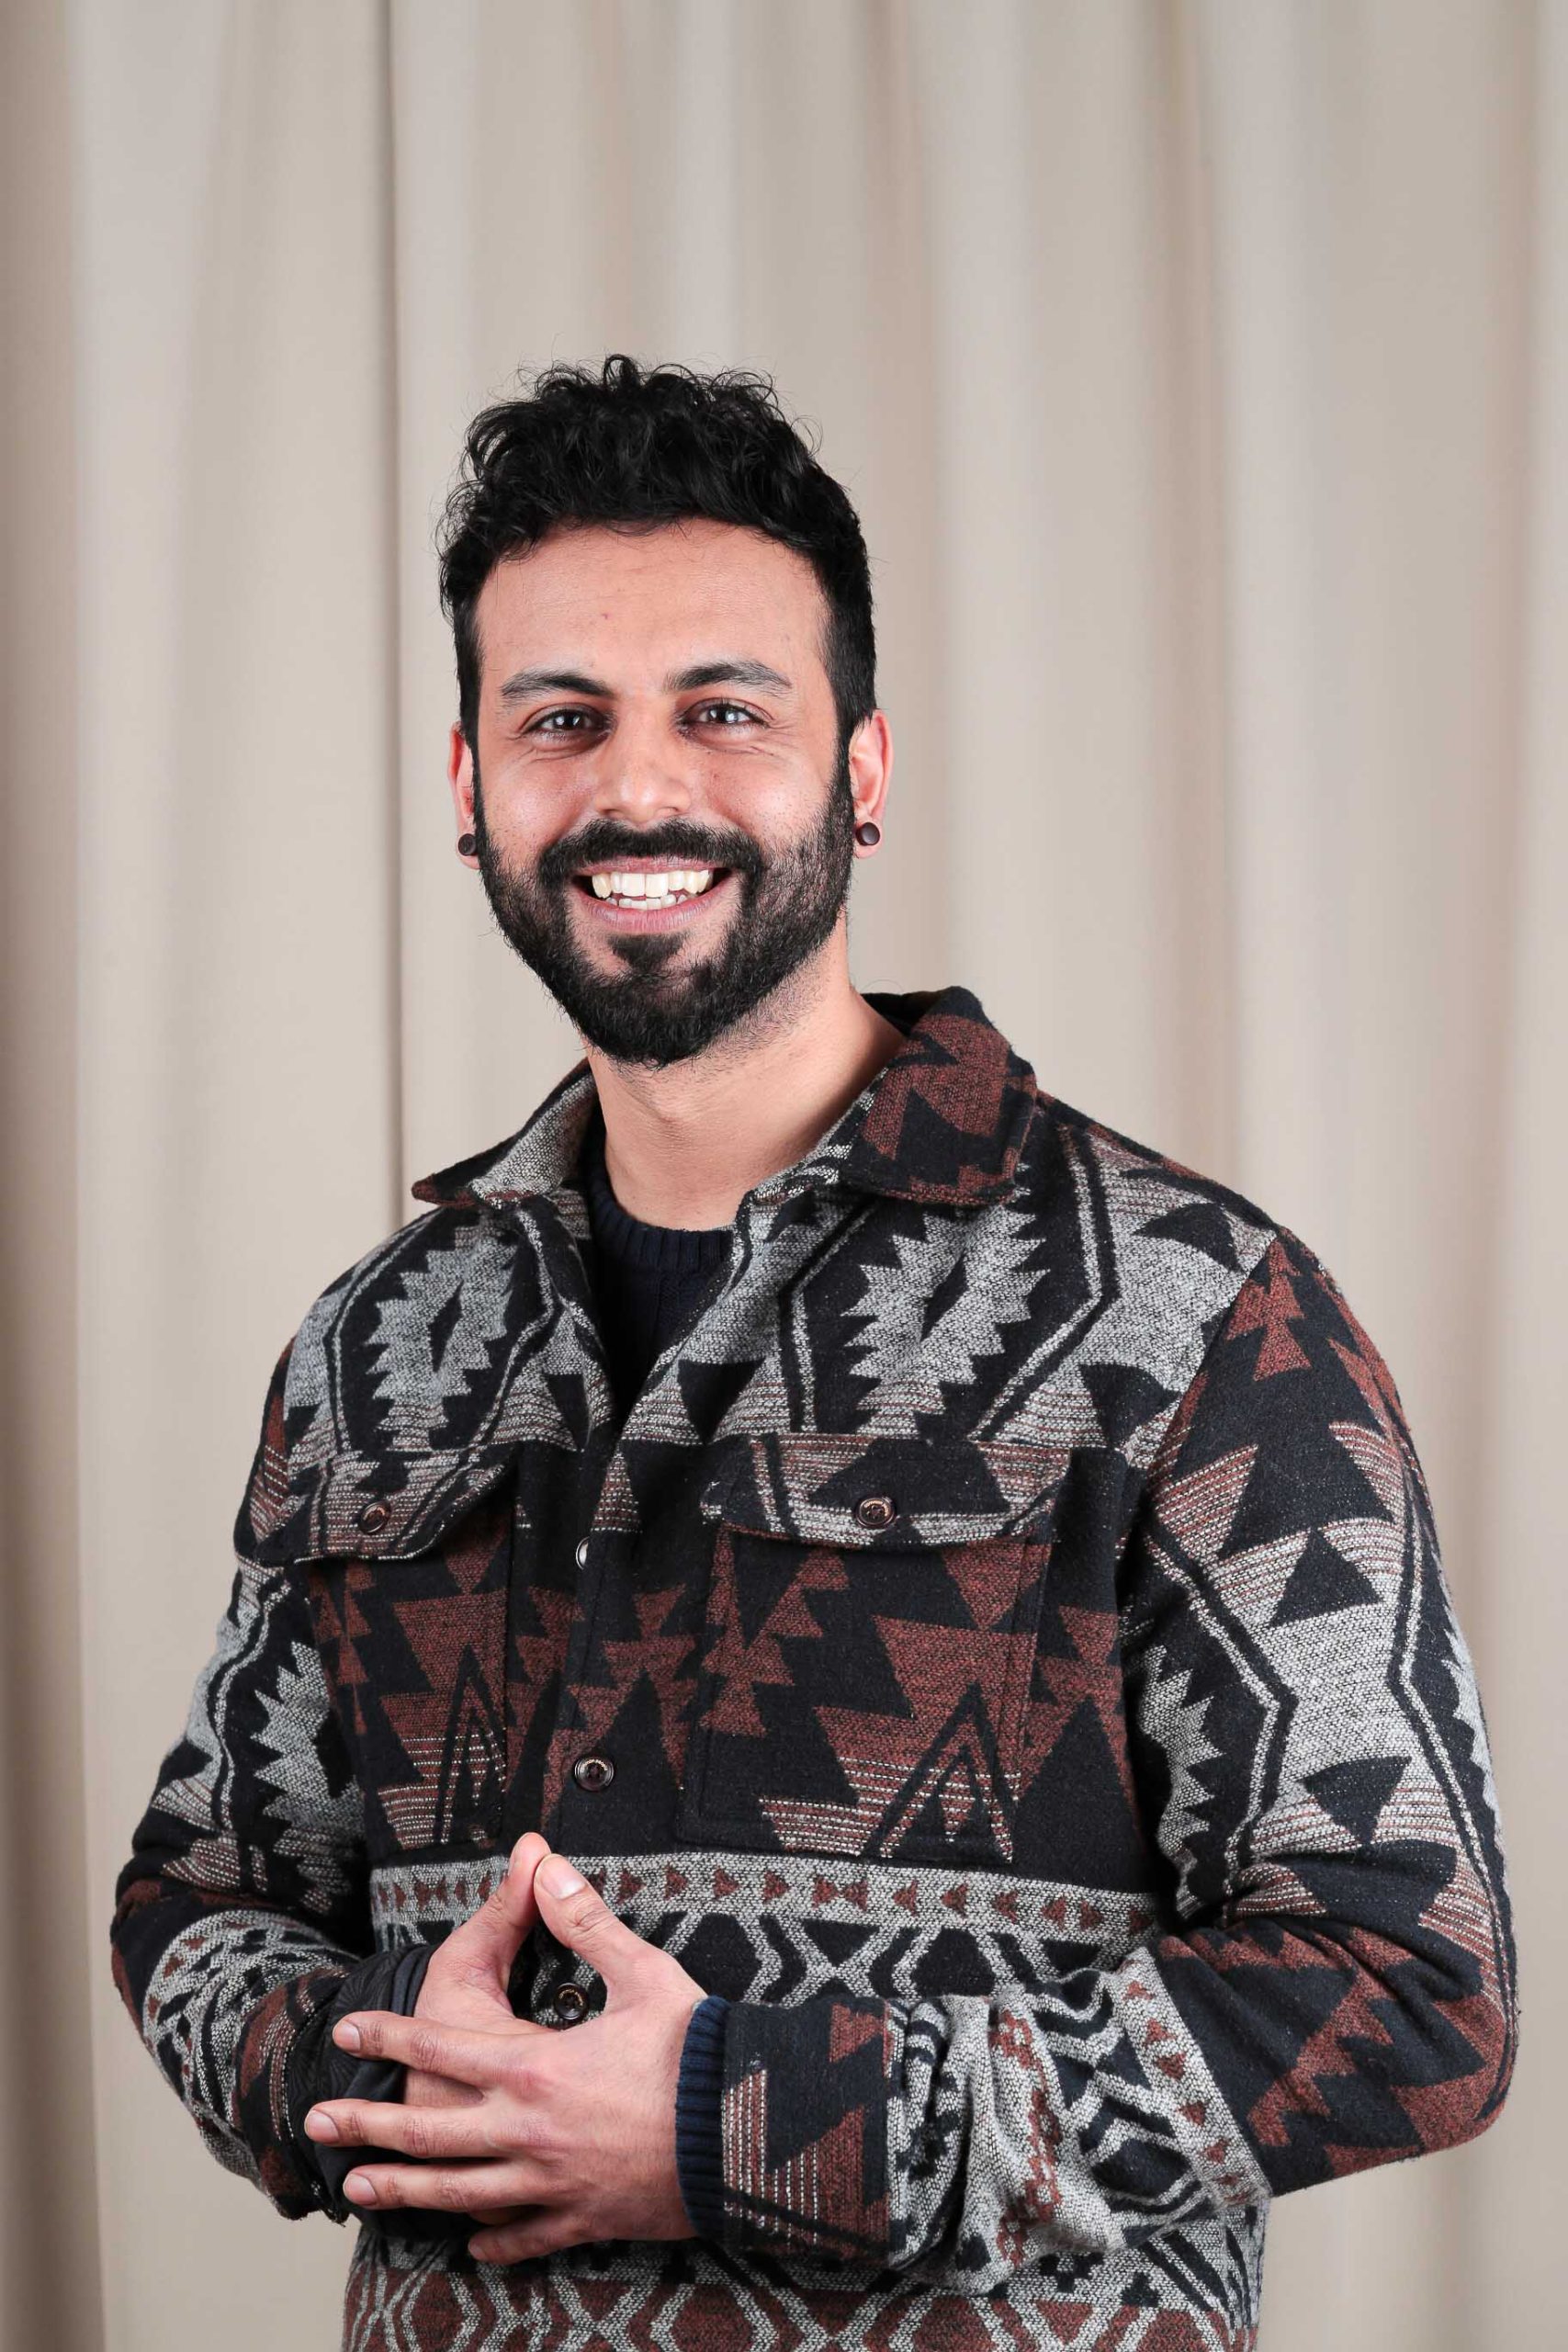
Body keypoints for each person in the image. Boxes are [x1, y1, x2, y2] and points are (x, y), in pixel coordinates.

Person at [110, 356, 1517, 2352]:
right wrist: (373, 2079)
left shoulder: (1194, 1310)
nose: (637, 787)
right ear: (469, 788)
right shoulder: (373, 1347)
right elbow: (195, 1891)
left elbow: (1405, 1981)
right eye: (562, 720)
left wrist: (735, 2121)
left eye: (724, 710)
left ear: (859, 767)